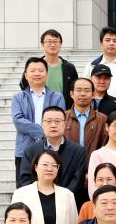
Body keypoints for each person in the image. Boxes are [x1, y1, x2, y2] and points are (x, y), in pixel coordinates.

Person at [12, 57, 66, 185]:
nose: (37, 74)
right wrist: (43, 133)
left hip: (52, 148)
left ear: (47, 74)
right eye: (32, 71)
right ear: (26, 75)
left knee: (52, 185)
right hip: (24, 148)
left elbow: (60, 120)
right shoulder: (18, 98)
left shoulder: (57, 97)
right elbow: (18, 121)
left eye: (41, 70)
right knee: (24, 187)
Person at [19, 106, 87, 195]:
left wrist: (62, 196)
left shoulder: (78, 151)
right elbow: (25, 179)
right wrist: (43, 196)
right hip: (37, 199)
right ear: (42, 124)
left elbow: (77, 180)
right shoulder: (31, 150)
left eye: (58, 121)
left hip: (67, 199)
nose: (53, 125)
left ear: (65, 124)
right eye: (49, 121)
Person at [64, 78, 109, 202]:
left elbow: (105, 147)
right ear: (71, 94)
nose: (83, 94)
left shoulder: (102, 119)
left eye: (87, 90)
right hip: (67, 175)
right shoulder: (63, 118)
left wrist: (94, 171)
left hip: (94, 175)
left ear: (93, 94)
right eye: (79, 90)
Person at [18, 29, 79, 108]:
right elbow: (24, 86)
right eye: (49, 41)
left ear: (60, 44)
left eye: (55, 41)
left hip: (63, 110)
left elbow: (75, 90)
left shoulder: (69, 68)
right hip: (38, 109)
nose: (52, 45)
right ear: (42, 44)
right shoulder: (34, 66)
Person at [84, 26, 116, 100]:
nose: (111, 43)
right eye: (107, 40)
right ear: (101, 44)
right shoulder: (90, 66)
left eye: (115, 41)